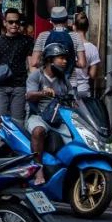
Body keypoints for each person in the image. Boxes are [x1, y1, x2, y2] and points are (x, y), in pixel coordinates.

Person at [26, 42, 76, 185]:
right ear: (49, 60)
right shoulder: (37, 76)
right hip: (39, 117)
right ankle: (38, 171)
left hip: (59, 119)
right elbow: (29, 95)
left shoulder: (63, 79)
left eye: (65, 58)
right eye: (60, 58)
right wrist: (43, 92)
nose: (64, 61)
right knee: (38, 131)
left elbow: (73, 97)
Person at [0, 9, 34, 130]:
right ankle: (4, 145)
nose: (14, 25)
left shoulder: (27, 41)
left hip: (20, 86)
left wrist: (35, 85)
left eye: (17, 22)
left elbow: (31, 65)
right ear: (4, 23)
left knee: (18, 122)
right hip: (1, 87)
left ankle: (14, 148)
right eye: (11, 22)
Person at [30, 6, 86, 75]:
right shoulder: (75, 36)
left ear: (51, 21)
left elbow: (34, 62)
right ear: (66, 20)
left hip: (49, 82)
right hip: (69, 83)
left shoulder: (42, 36)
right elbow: (82, 64)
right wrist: (69, 62)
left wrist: (49, 62)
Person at [72, 12, 100, 97]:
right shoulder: (93, 49)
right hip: (84, 89)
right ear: (87, 28)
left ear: (74, 27)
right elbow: (92, 75)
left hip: (68, 88)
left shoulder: (68, 45)